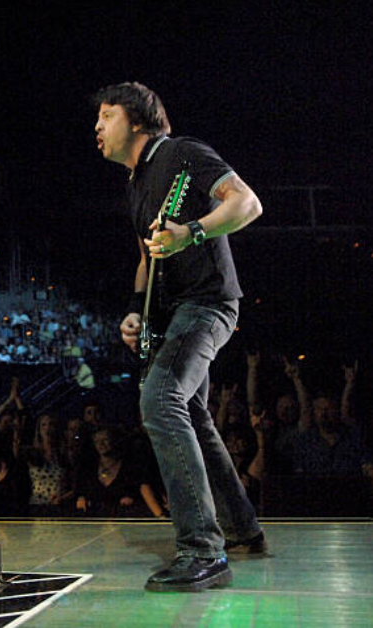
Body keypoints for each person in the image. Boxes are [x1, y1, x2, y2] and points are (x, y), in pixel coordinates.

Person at [94, 81, 265, 591]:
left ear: (138, 120)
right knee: (192, 415)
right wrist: (134, 313)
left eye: (107, 115)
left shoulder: (184, 154)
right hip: (169, 314)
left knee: (161, 398)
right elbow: (149, 256)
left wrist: (192, 232)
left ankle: (202, 551)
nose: (97, 127)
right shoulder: (135, 184)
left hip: (207, 303)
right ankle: (241, 529)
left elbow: (247, 204)